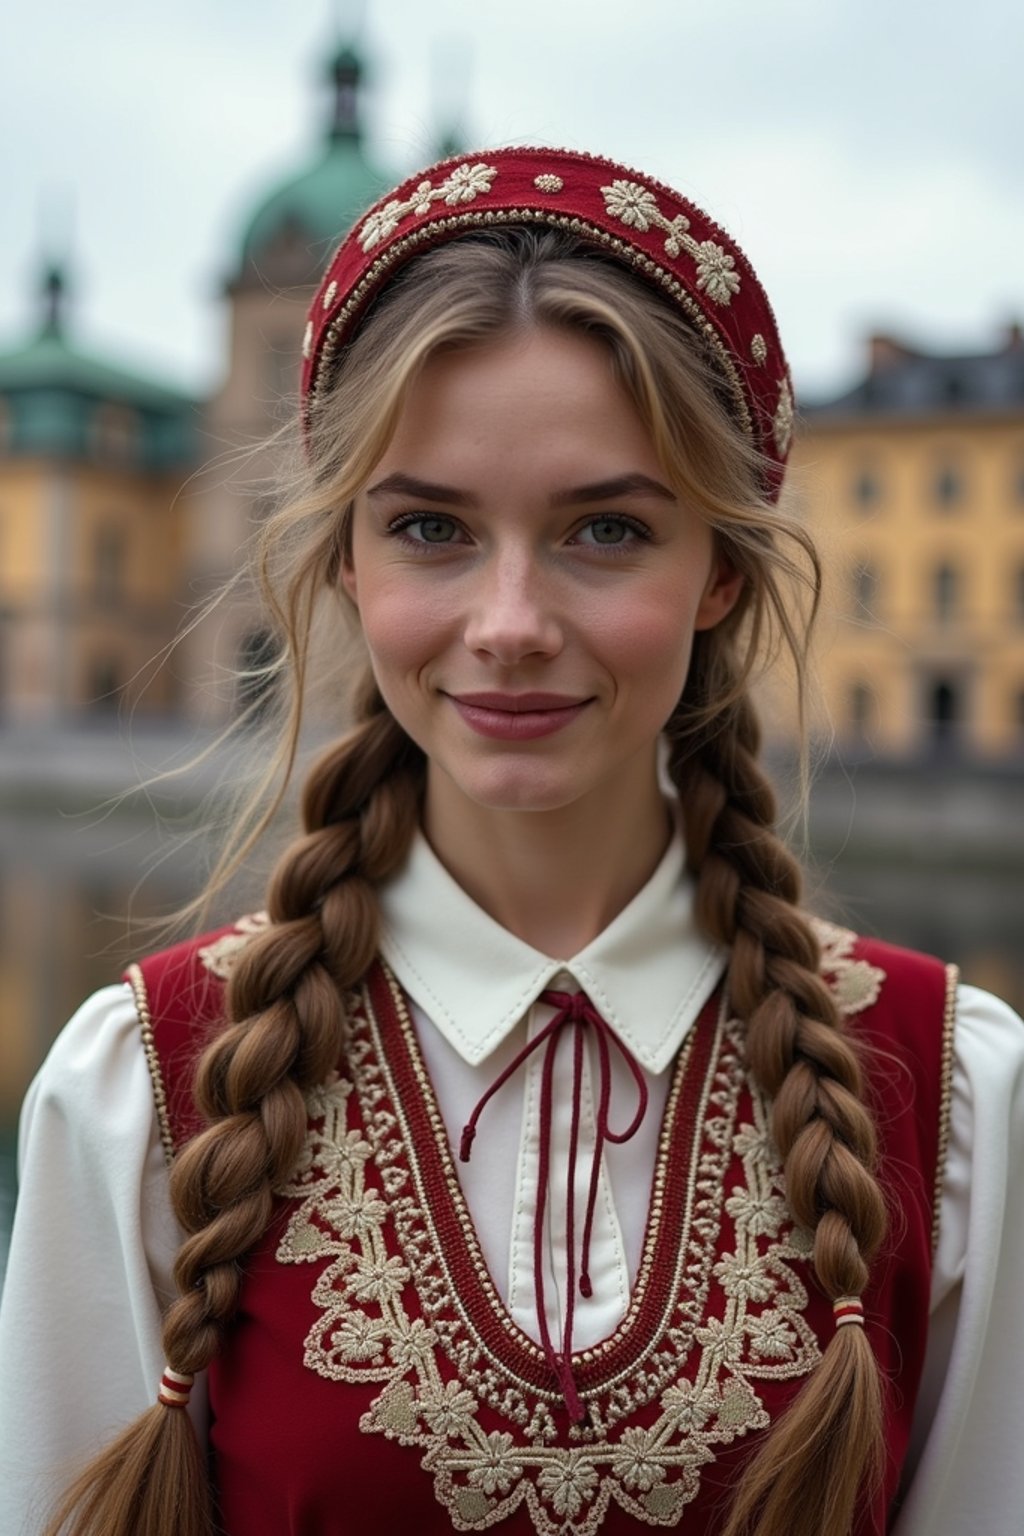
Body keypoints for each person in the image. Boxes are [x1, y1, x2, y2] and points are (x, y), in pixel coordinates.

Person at [0, 146, 1021, 1536]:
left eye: (605, 528)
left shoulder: (955, 1096)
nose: (509, 622)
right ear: (345, 561)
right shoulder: (137, 1092)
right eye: (430, 527)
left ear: (721, 569)